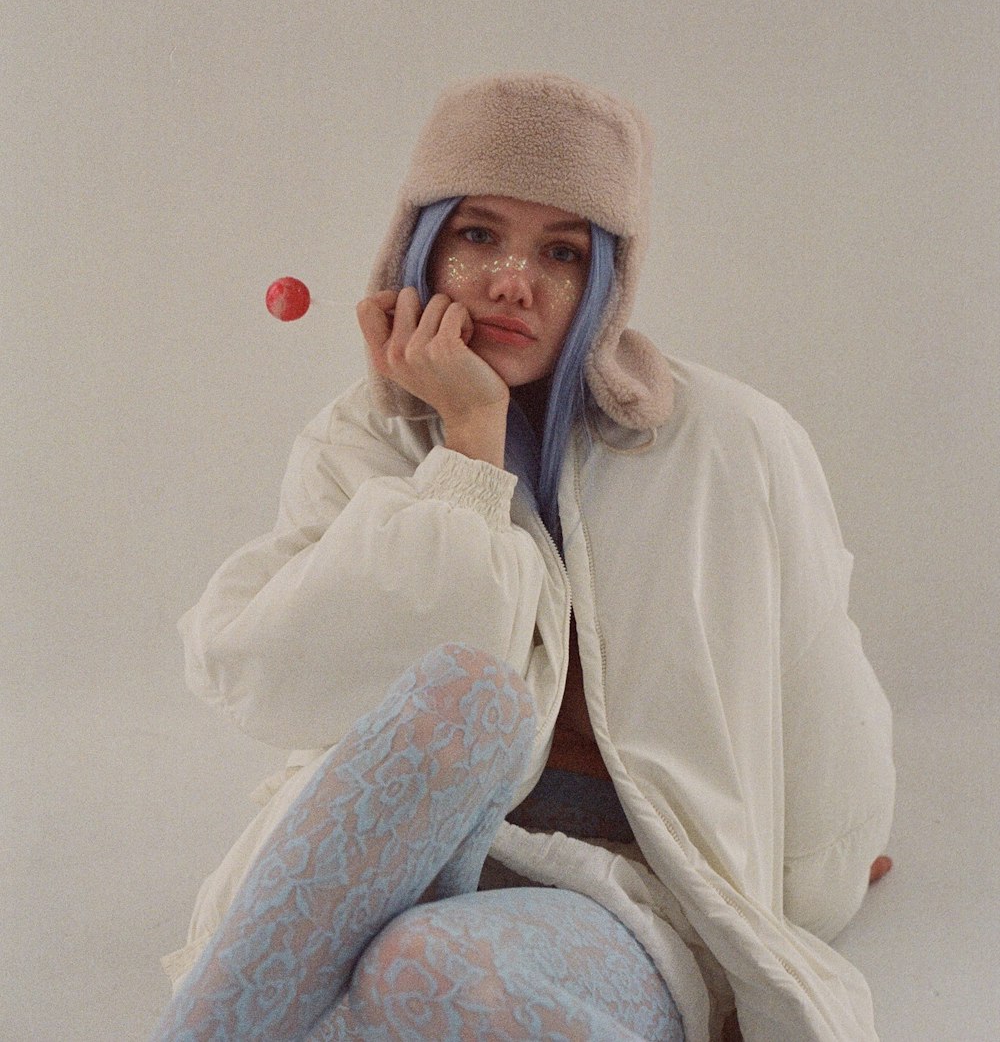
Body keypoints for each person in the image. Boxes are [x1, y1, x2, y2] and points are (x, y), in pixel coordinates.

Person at [155, 73, 895, 1042]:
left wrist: (817, 878)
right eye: (477, 235)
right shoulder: (360, 443)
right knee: (471, 695)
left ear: (609, 281)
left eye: (562, 251)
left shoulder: (731, 442)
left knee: (415, 969)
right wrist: (467, 441)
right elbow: (277, 680)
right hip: (395, 864)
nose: (514, 278)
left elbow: (816, 680)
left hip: (620, 899)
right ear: (418, 246)